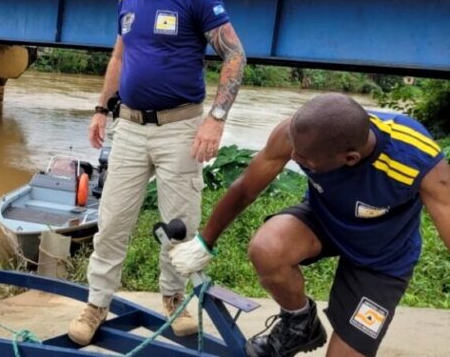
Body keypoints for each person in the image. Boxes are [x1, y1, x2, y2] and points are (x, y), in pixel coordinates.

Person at [68, 0, 247, 346]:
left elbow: (236, 56)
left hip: (180, 129)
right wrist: (100, 109)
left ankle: (174, 299)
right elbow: (118, 58)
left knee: (178, 225)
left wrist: (215, 119)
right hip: (128, 126)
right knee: (111, 221)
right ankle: (96, 304)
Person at [169, 93, 450, 357]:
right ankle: (300, 323)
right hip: (323, 221)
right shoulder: (298, 134)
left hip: (382, 258)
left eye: (304, 161)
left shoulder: (416, 160)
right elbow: (245, 189)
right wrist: (205, 241)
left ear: (349, 159)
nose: (293, 158)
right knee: (268, 248)